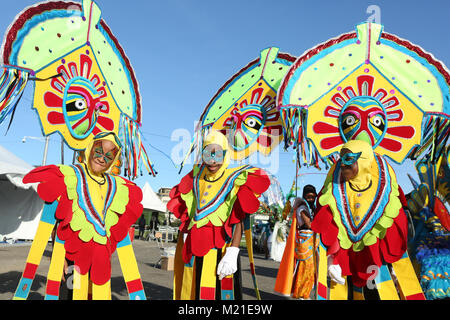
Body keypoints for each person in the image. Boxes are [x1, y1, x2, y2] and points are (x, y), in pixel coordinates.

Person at [13, 132, 146, 300]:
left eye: (109, 156)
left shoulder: (118, 187)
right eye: (98, 151)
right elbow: (56, 222)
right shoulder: (70, 176)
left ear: (114, 160)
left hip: (99, 262)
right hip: (71, 259)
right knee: (70, 294)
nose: (102, 158)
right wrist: (59, 257)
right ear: (89, 149)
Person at [311, 139, 425, 300]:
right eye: (341, 159)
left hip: (377, 266)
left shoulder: (386, 192)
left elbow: (397, 227)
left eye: (349, 159)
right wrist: (332, 257)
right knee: (348, 292)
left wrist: (393, 265)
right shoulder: (334, 189)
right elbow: (327, 220)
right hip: (347, 262)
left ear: (364, 161)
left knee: (376, 292)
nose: (342, 165)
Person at [168, 130, 270, 300]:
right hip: (195, 249)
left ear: (225, 154)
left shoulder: (235, 178)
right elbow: (188, 214)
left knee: (219, 295)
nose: (213, 160)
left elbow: (238, 219)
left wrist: (233, 251)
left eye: (217, 154)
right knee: (192, 292)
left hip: (222, 252)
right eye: (207, 154)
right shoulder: (195, 178)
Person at [274, 197, 318, 299]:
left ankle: (304, 293)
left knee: (309, 268)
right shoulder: (302, 208)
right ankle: (300, 293)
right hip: (305, 241)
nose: (311, 199)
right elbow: (310, 224)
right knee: (305, 268)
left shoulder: (310, 208)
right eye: (309, 196)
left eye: (313, 197)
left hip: (310, 241)